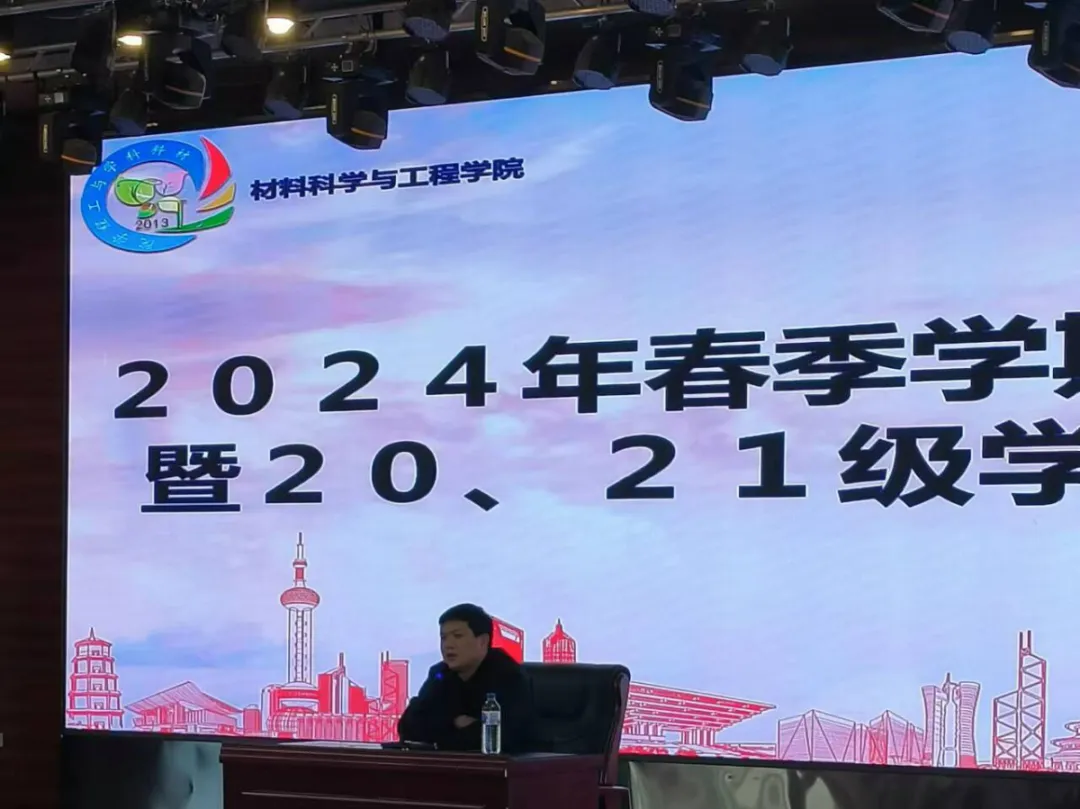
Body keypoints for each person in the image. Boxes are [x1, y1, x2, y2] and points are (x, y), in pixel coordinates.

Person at [398, 603, 536, 753]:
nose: (448, 645)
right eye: (444, 638)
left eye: (457, 636)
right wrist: (455, 722)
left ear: (482, 641)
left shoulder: (509, 676)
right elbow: (408, 726)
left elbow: (505, 737)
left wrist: (441, 728)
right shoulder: (440, 674)